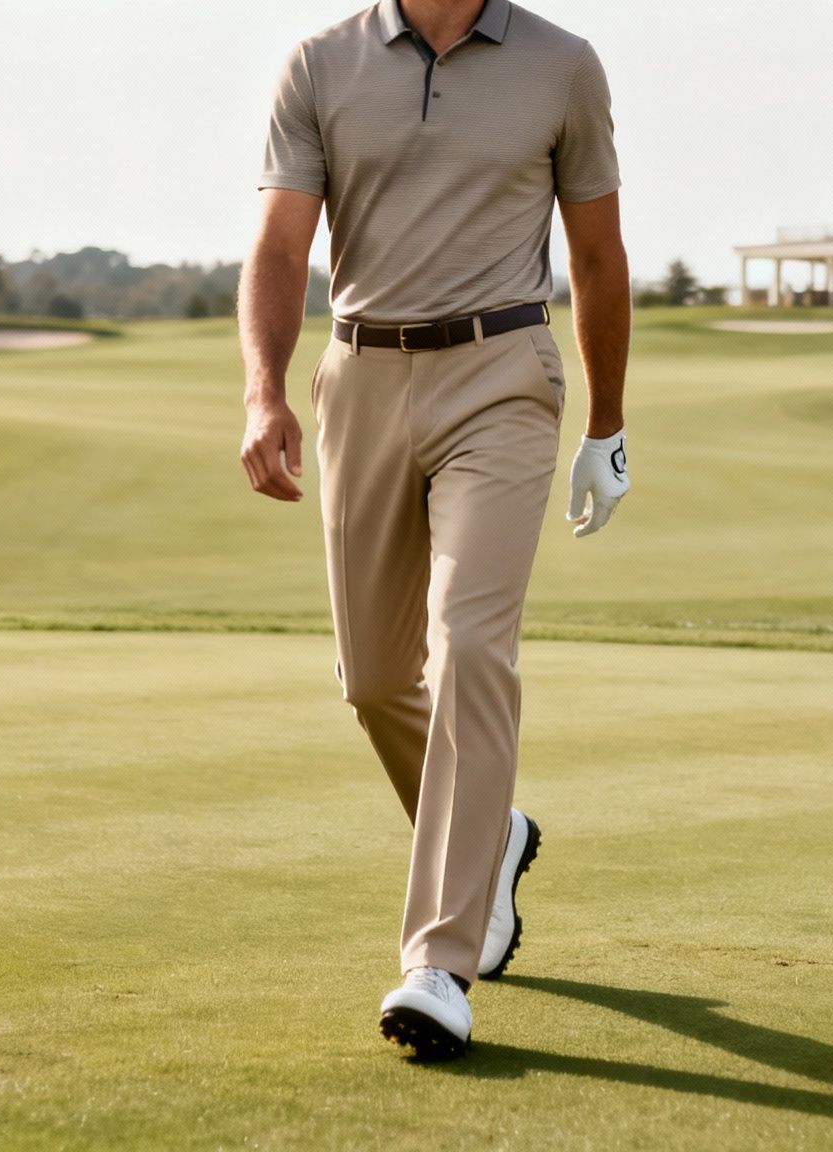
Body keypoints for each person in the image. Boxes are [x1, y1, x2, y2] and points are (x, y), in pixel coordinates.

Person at [237, 0, 630, 1061]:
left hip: (502, 374)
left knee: (467, 643)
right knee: (372, 679)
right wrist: (263, 392)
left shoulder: (561, 65)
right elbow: (281, 241)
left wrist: (605, 426)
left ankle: (439, 964)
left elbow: (597, 255)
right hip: (359, 374)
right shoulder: (320, 62)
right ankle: (492, 835)